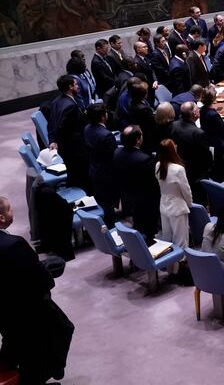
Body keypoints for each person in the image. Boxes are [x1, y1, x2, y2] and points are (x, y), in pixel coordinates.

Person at [0, 197, 74, 385]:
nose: (12, 212)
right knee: (61, 329)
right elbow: (41, 281)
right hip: (28, 310)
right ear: (1, 218)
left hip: (4, 312)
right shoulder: (14, 244)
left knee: (14, 341)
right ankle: (46, 372)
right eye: (9, 209)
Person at [114, 126, 161, 243]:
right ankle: (147, 253)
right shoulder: (144, 159)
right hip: (145, 200)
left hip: (127, 196)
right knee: (148, 230)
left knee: (138, 225)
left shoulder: (117, 153)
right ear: (138, 140)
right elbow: (153, 182)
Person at [48, 75, 91, 192]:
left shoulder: (56, 101)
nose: (78, 86)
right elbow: (62, 128)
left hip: (66, 147)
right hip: (74, 150)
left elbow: (51, 123)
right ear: (70, 87)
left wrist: (52, 140)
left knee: (73, 174)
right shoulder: (70, 106)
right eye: (76, 84)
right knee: (80, 177)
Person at [155, 139, 192, 272]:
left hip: (164, 206)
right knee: (180, 241)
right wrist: (190, 204)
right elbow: (186, 190)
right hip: (177, 207)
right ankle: (180, 271)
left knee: (167, 239)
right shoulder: (178, 169)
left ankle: (171, 269)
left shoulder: (158, 165)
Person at [83, 103, 118, 227]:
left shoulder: (87, 128)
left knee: (102, 199)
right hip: (107, 173)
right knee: (108, 202)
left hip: (94, 169)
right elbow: (114, 156)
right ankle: (111, 227)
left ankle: (106, 223)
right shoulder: (106, 135)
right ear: (103, 116)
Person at [170, 102, 212, 201]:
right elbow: (206, 156)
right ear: (195, 114)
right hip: (196, 174)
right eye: (198, 109)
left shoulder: (173, 125)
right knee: (198, 199)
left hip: (179, 166)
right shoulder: (198, 133)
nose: (199, 110)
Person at [199, 87, 224, 182]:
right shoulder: (213, 115)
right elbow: (222, 132)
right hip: (217, 144)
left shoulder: (202, 110)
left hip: (209, 141)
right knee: (219, 164)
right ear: (213, 99)